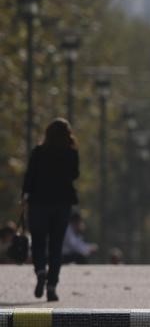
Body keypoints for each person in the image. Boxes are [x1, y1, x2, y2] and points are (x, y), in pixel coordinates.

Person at [21, 118, 80, 301]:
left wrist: (24, 196)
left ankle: (40, 271)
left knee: (38, 241)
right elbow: (74, 174)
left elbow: (29, 175)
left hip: (39, 202)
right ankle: (52, 286)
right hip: (61, 204)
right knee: (56, 245)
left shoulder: (39, 152)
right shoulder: (71, 153)